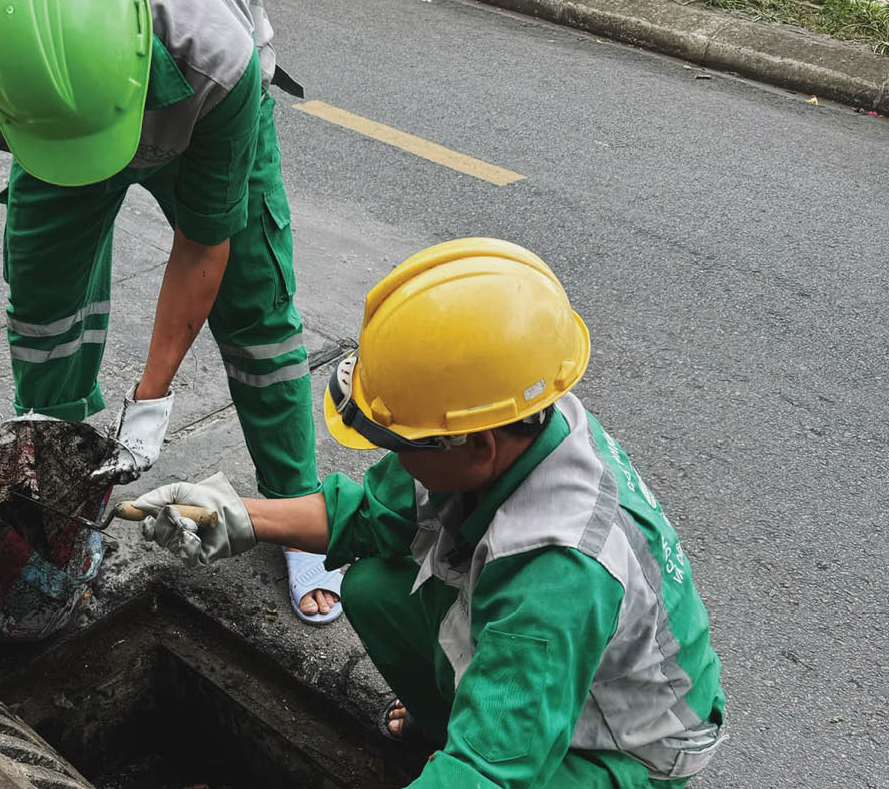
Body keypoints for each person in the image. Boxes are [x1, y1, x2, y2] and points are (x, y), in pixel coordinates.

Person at [135, 238, 727, 787]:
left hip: (621, 746)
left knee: (494, 758)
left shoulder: (556, 575)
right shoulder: (508, 410)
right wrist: (236, 516)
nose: (396, 459)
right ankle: (460, 722)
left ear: (476, 448)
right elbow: (369, 514)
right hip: (556, 660)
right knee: (369, 586)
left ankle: (490, 732)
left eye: (402, 445)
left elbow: (488, 775)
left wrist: (468, 763)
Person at [0, 0, 342, 624]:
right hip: (57, 121)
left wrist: (151, 401)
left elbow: (205, 243)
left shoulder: (216, 54)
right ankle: (57, 494)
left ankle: (297, 509)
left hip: (192, 107)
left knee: (256, 310)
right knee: (48, 309)